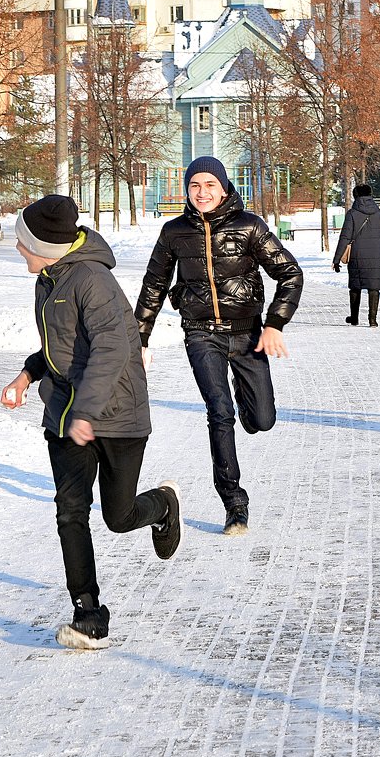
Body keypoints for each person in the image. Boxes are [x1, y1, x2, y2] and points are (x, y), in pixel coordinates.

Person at [0, 194, 182, 650]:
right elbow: (61, 346)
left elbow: (112, 350)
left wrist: (87, 412)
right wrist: (27, 376)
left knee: (118, 518)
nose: (18, 250)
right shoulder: (49, 277)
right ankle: (88, 613)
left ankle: (162, 505)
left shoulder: (92, 280)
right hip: (65, 414)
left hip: (117, 415)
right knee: (70, 511)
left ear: (44, 245)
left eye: (23, 244)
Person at [135, 156, 303, 534]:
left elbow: (290, 272)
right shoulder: (174, 232)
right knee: (218, 410)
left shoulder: (249, 226)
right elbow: (153, 286)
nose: (202, 192)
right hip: (200, 333)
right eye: (195, 185)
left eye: (210, 184)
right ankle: (234, 502)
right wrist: (139, 339)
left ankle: (250, 404)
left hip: (247, 333)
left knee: (262, 420)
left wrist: (275, 323)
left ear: (224, 187)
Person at [333, 184, 380, 327]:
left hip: (357, 255)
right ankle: (372, 319)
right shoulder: (379, 213)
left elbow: (345, 237)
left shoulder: (352, 214)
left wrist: (336, 260)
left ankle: (354, 318)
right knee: (374, 288)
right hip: (377, 256)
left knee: (355, 286)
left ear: (355, 196)